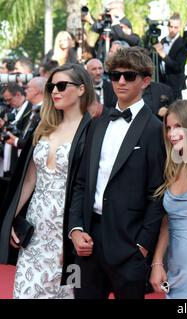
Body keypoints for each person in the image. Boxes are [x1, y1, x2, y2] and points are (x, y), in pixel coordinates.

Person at [66, 47, 165, 299]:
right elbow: (80, 183)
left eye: (129, 76)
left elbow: (157, 193)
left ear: (145, 81)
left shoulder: (155, 129)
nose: (120, 81)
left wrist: (143, 246)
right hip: (87, 241)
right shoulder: (98, 123)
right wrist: (76, 229)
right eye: (115, 75)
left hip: (129, 243)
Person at [0, 63, 94, 298]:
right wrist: (13, 218)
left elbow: (90, 187)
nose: (54, 91)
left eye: (62, 85)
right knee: (25, 291)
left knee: (68, 292)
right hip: (35, 227)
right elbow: (30, 180)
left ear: (81, 89)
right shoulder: (44, 126)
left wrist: (76, 233)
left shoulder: (92, 131)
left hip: (67, 229)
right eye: (52, 86)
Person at [150, 99, 187, 299]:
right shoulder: (173, 166)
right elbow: (167, 221)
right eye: (168, 128)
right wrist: (157, 262)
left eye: (178, 126)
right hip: (174, 264)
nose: (171, 134)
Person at [153, 13, 187, 100]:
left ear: (180, 28)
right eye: (171, 26)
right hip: (160, 83)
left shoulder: (184, 43)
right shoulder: (162, 40)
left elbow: (178, 67)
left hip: (175, 86)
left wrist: (162, 54)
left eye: (175, 27)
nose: (172, 30)